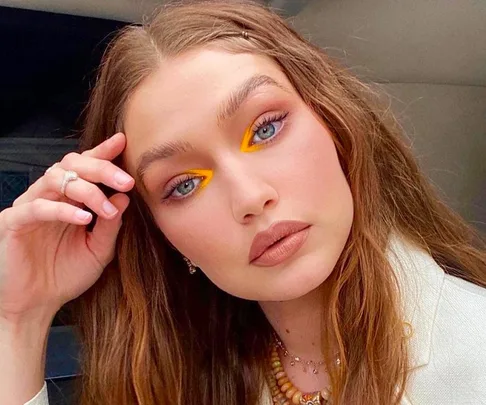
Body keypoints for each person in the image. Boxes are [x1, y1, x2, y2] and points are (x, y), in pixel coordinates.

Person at [1, 1, 485, 404]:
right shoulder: (177, 380)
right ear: (167, 238)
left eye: (266, 128)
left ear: (338, 127)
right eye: (184, 184)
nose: (250, 197)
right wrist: (16, 319)